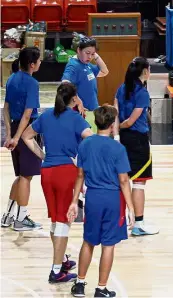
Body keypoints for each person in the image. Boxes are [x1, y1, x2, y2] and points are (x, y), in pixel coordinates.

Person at [21, 82, 93, 283]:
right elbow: (90, 139)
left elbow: (27, 136)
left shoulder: (45, 115)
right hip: (65, 173)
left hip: (47, 173)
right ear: (74, 99)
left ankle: (60, 261)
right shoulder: (76, 119)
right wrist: (81, 160)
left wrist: (43, 156)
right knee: (63, 222)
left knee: (56, 220)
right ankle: (56, 271)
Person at [68, 106, 135, 297]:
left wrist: (74, 201)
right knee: (108, 245)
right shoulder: (118, 148)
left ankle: (80, 284)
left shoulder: (85, 144)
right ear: (113, 124)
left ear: (95, 122)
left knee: (88, 241)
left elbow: (79, 176)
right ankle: (101, 288)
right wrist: (131, 208)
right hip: (112, 199)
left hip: (93, 198)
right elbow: (123, 180)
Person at [62, 36, 109, 222]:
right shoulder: (73, 65)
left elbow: (105, 71)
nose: (89, 56)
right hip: (80, 116)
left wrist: (95, 57)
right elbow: (65, 85)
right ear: (78, 51)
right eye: (87, 53)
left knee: (89, 157)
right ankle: (78, 202)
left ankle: (84, 199)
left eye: (92, 53)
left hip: (91, 114)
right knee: (81, 158)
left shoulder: (88, 65)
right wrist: (78, 100)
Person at [113, 57, 158, 236]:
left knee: (121, 181)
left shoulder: (120, 89)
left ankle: (120, 220)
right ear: (146, 71)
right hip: (138, 141)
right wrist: (122, 126)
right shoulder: (142, 94)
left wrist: (115, 133)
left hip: (122, 139)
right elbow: (131, 121)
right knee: (138, 183)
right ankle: (138, 223)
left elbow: (115, 115)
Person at [1, 47, 43, 231]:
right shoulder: (32, 83)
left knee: (20, 176)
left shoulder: (11, 78)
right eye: (39, 60)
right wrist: (18, 137)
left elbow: (6, 109)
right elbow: (27, 114)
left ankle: (8, 216)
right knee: (26, 176)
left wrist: (9, 135)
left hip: (15, 128)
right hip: (28, 131)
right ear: (32, 64)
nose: (40, 63)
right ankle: (21, 218)